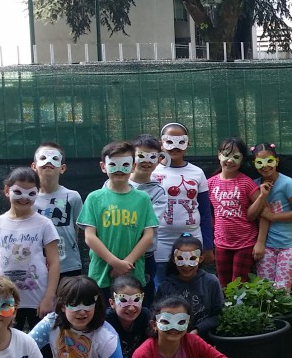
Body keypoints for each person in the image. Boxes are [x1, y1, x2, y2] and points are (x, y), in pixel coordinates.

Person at [77, 142, 159, 302]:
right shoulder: (94, 198)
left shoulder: (143, 199)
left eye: (125, 164)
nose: (119, 169)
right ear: (103, 166)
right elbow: (89, 237)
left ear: (133, 166)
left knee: (132, 313)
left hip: (133, 272)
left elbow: (148, 236)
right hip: (101, 273)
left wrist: (126, 264)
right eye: (113, 164)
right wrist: (114, 262)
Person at [0, 167, 60, 329]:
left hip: (38, 301)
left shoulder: (44, 224)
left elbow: (54, 263)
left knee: (43, 350)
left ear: (37, 192)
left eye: (31, 193)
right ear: (7, 190)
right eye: (18, 192)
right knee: (8, 345)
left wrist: (49, 297)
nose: (24, 198)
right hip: (6, 301)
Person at [153, 122, 214, 290]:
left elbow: (205, 212)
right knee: (161, 286)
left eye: (180, 141)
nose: (175, 146)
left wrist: (208, 246)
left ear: (188, 143)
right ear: (161, 143)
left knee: (191, 285)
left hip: (192, 239)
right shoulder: (153, 172)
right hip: (161, 240)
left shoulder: (197, 172)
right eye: (169, 141)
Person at [207, 136, 264, 286]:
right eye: (226, 154)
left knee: (239, 286)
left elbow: (264, 213)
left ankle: (240, 310)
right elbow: (204, 211)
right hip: (221, 244)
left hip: (245, 244)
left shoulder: (246, 183)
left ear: (242, 159)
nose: (230, 160)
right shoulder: (210, 183)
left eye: (236, 157)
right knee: (224, 285)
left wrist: (259, 242)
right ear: (219, 155)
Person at [252, 143, 292, 290]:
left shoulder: (287, 183)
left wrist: (273, 216)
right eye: (260, 162)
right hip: (267, 246)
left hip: (288, 245)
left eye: (269, 161)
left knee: (281, 290)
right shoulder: (255, 185)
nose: (265, 166)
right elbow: (257, 215)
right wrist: (260, 243)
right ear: (254, 164)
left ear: (277, 161)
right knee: (265, 290)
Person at [32, 142, 84, 279]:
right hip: (37, 266)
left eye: (54, 159)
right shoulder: (28, 199)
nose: (48, 162)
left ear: (62, 168)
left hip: (69, 265)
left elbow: (76, 229)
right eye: (43, 158)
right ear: (34, 166)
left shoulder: (73, 196)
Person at [154, 234, 224, 338]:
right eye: (181, 258)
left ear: (200, 259)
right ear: (174, 259)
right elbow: (156, 315)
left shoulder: (211, 282)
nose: (186, 265)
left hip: (205, 340)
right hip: (174, 339)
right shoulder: (165, 286)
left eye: (192, 258)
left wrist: (198, 329)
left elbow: (219, 314)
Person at [130, 134, 168, 306]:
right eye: (141, 156)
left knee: (144, 300)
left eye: (152, 157)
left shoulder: (159, 192)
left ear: (158, 159)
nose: (146, 161)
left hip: (145, 257)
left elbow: (148, 224)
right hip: (114, 253)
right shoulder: (110, 185)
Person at [106, 274, 151, 358]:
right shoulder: (106, 321)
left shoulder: (145, 316)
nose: (131, 308)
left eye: (136, 300)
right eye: (123, 300)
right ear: (112, 303)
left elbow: (150, 347)